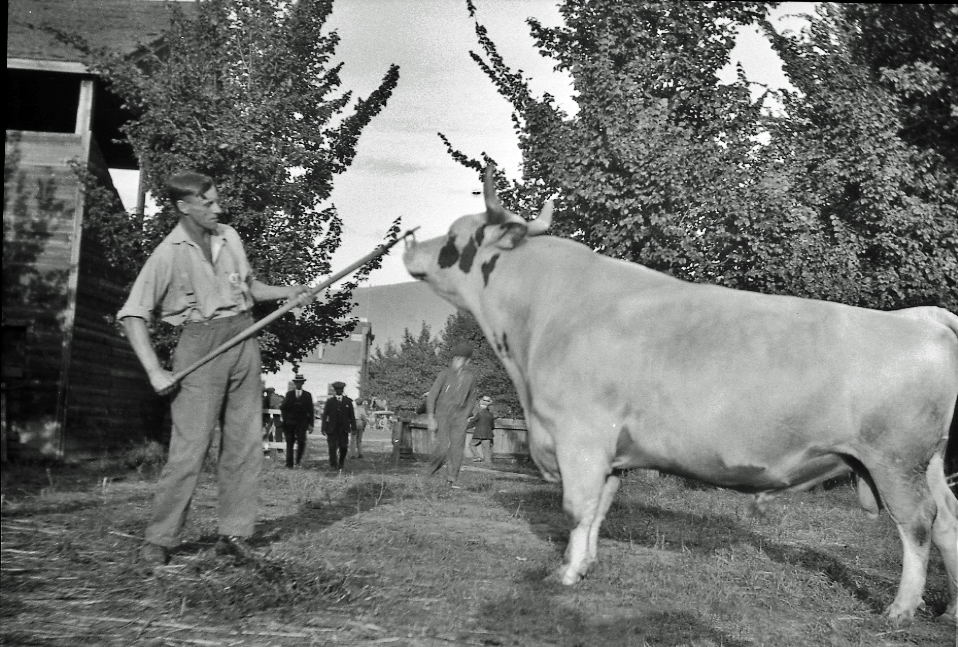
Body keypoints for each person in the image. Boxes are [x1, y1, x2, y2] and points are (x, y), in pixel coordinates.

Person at [118, 170, 306, 566]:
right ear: (184, 207)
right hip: (200, 345)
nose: (218, 209)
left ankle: (234, 534)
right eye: (209, 203)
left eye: (217, 200)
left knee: (244, 443)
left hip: (244, 338)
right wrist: (155, 371)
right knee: (190, 449)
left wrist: (288, 292)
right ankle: (160, 537)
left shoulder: (229, 236)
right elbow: (133, 315)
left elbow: (250, 289)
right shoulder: (169, 253)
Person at [422, 342, 477, 487]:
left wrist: (466, 415)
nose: (457, 362)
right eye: (455, 359)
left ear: (467, 361)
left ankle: (451, 479)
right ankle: (428, 473)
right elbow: (432, 395)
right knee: (442, 448)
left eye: (460, 359)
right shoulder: (444, 374)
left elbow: (472, 398)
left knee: (457, 448)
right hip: (443, 413)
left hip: (460, 416)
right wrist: (430, 417)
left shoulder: (470, 377)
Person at [280, 374, 314, 468]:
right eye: (297, 382)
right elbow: (283, 408)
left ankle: (298, 461)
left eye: (300, 382)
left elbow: (311, 410)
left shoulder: (307, 395)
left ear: (303, 383)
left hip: (302, 423)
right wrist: (286, 419)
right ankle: (289, 463)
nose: (298, 384)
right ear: (295, 383)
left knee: (301, 441)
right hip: (290, 423)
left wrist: (311, 424)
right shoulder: (289, 394)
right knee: (289, 442)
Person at [322, 381, 355, 471]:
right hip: (332, 428)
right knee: (332, 447)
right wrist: (323, 428)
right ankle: (333, 464)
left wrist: (354, 427)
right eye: (337, 389)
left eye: (340, 389)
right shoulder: (330, 401)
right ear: (335, 390)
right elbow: (325, 415)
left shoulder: (348, 401)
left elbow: (352, 415)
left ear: (343, 390)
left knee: (343, 447)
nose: (338, 391)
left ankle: (341, 462)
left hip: (343, 429)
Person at [467, 395, 496, 464]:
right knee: (486, 449)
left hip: (479, 433)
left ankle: (477, 457)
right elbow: (492, 426)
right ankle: (488, 462)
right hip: (488, 434)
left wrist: (467, 427)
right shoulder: (490, 415)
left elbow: (473, 421)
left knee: (472, 445)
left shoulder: (479, 413)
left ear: (482, 406)